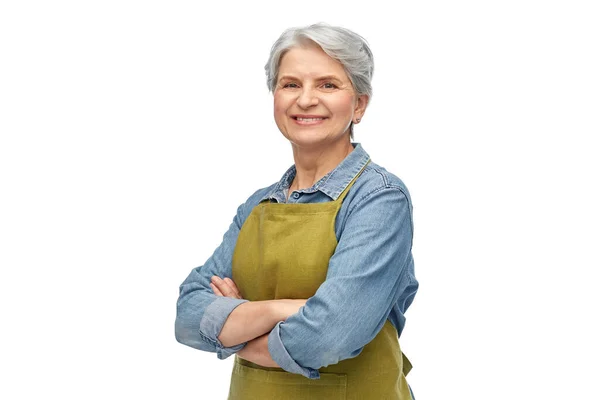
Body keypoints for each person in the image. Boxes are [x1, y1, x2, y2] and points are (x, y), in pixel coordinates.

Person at [175, 22, 418, 399]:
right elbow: (188, 317)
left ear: (359, 104)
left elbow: (329, 335)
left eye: (328, 84)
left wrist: (235, 330)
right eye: (291, 84)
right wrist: (279, 310)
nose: (305, 100)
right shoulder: (257, 206)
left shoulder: (378, 199)